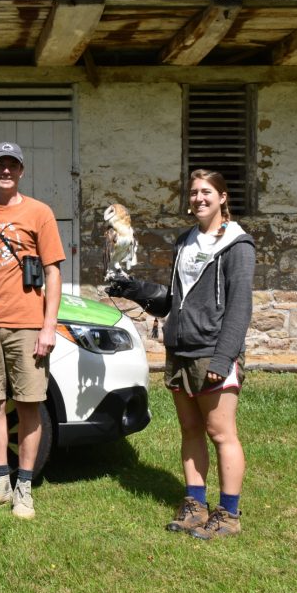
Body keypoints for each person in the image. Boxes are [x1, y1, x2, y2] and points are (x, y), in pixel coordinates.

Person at [108, 168, 255, 540]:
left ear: (222, 198)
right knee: (190, 430)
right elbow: (172, 301)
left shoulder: (238, 245)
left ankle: (229, 514)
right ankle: (194, 505)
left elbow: (239, 308)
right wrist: (136, 289)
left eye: (207, 192)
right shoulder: (185, 241)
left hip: (212, 351)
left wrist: (223, 360)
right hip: (180, 350)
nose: (199, 198)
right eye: (193, 193)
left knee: (221, 433)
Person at [0, 141, 65, 520]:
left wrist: (48, 326)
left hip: (26, 325)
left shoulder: (40, 212)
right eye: (0, 165)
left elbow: (52, 271)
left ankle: (24, 487)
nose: (6, 171)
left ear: (21, 171)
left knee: (29, 404)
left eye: (12, 165)